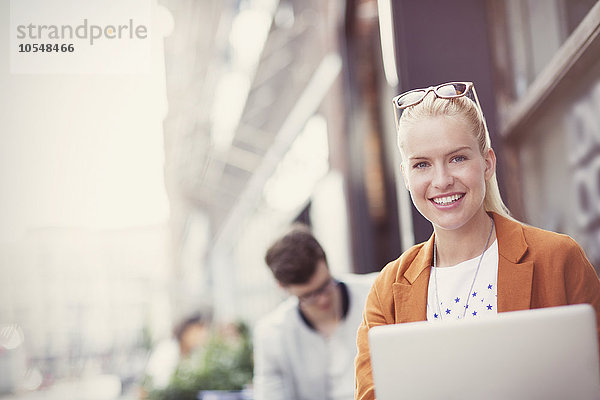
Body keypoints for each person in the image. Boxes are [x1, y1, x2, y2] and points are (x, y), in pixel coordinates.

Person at [354, 81, 600, 399]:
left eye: (457, 158)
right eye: (422, 164)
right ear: (406, 175)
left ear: (487, 163)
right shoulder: (388, 290)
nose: (441, 180)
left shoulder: (556, 257)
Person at [254, 224, 375, 400]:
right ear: (282, 287)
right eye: (308, 296)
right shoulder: (272, 333)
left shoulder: (376, 292)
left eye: (325, 285)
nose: (322, 300)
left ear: (326, 262)